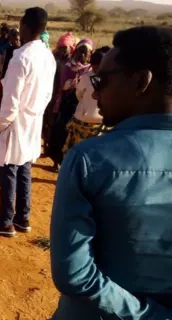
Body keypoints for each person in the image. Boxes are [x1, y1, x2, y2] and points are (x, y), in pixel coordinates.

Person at [50, 26, 172, 319]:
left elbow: (74, 273)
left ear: (142, 81)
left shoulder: (89, 159)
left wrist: (145, 315)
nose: (94, 90)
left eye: (102, 80)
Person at [0, 7, 56, 237]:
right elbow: (48, 95)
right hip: (33, 120)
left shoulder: (21, 57)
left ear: (26, 26)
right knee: (24, 169)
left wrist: (0, 126)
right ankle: (23, 217)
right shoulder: (48, 56)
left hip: (15, 123)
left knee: (8, 171)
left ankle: (5, 221)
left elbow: (10, 100)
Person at [47, 38, 93, 171]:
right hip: (66, 103)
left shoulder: (90, 70)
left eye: (86, 53)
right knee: (61, 131)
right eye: (80, 51)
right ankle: (57, 161)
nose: (83, 55)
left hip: (80, 107)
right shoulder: (68, 66)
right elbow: (63, 85)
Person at [61, 47, 111, 155]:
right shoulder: (111, 79)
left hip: (83, 120)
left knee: (76, 152)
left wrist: (86, 104)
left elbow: (79, 94)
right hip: (101, 123)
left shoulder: (86, 77)